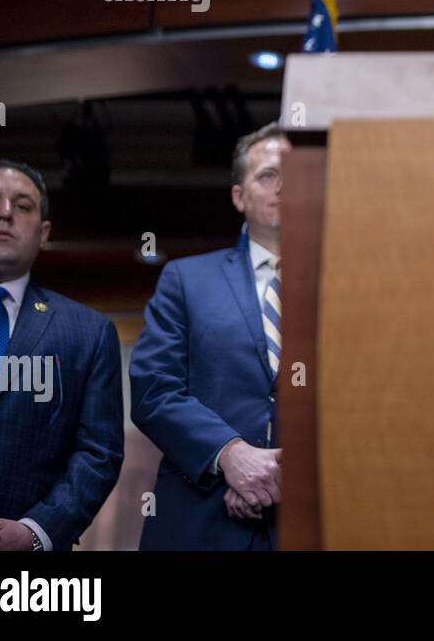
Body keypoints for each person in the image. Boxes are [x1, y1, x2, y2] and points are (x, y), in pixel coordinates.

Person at [0, 160, 123, 551]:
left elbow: (98, 453)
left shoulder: (90, 332)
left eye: (23, 206)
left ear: (43, 233)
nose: (6, 213)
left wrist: (35, 533)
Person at [131, 123, 289, 550]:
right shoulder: (186, 279)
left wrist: (279, 475)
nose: (284, 186)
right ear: (239, 196)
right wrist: (230, 455)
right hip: (201, 520)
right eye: (268, 175)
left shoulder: (348, 287)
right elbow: (153, 390)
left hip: (314, 519)